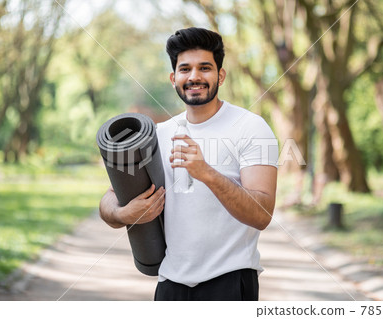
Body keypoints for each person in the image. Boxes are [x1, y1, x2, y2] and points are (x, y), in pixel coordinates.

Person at [99, 27, 278, 301]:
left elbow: (262, 214)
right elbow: (108, 199)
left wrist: (207, 173)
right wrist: (124, 214)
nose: (194, 76)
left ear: (221, 75)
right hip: (171, 284)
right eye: (185, 69)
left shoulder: (251, 127)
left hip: (230, 283)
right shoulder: (158, 135)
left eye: (205, 67)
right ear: (174, 78)